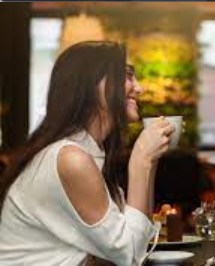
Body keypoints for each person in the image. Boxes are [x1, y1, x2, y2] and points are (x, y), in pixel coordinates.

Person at [0, 41, 175, 265]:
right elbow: (129, 255)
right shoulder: (70, 158)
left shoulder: (90, 151)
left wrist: (150, 160)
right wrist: (141, 159)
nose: (139, 89)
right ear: (92, 84)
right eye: (127, 75)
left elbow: (135, 240)